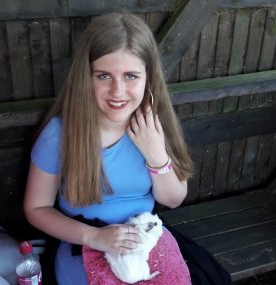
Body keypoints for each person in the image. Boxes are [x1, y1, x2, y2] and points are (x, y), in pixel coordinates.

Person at [24, 12, 193, 285]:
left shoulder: (155, 125)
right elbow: (36, 208)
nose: (117, 90)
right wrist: (95, 237)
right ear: (85, 77)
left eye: (130, 76)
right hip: (83, 240)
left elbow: (173, 199)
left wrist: (155, 153)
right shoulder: (60, 135)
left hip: (145, 237)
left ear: (149, 79)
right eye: (103, 75)